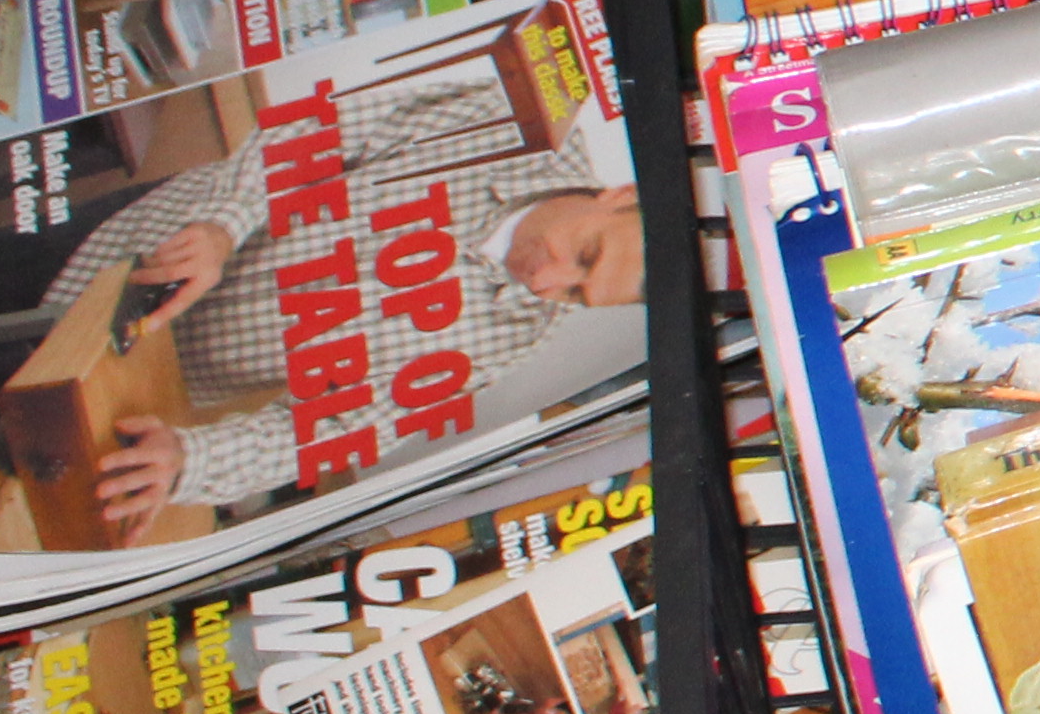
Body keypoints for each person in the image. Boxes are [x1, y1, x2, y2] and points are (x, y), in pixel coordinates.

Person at [57, 142, 640, 538]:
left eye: (576, 295)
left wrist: (191, 459)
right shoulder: (510, 125)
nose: (545, 282)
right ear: (618, 195)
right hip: (133, 247)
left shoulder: (513, 337)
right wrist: (222, 227)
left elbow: (331, 429)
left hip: (126, 371)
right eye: (585, 254)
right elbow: (311, 134)